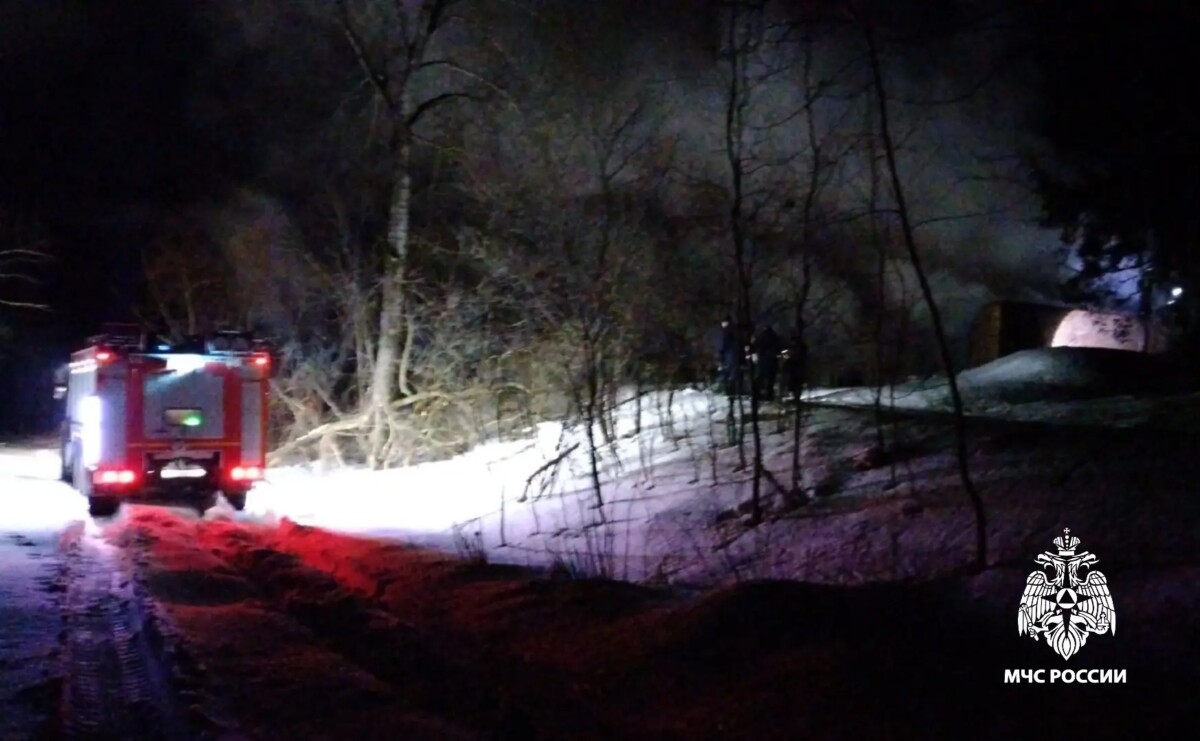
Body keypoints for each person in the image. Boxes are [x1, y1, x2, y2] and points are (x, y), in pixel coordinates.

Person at [753, 324, 782, 401]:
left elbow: (757, 345)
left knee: (761, 377)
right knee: (771, 379)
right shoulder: (774, 336)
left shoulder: (761, 336)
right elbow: (779, 347)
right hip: (773, 360)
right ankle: (770, 395)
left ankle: (758, 394)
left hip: (764, 360)